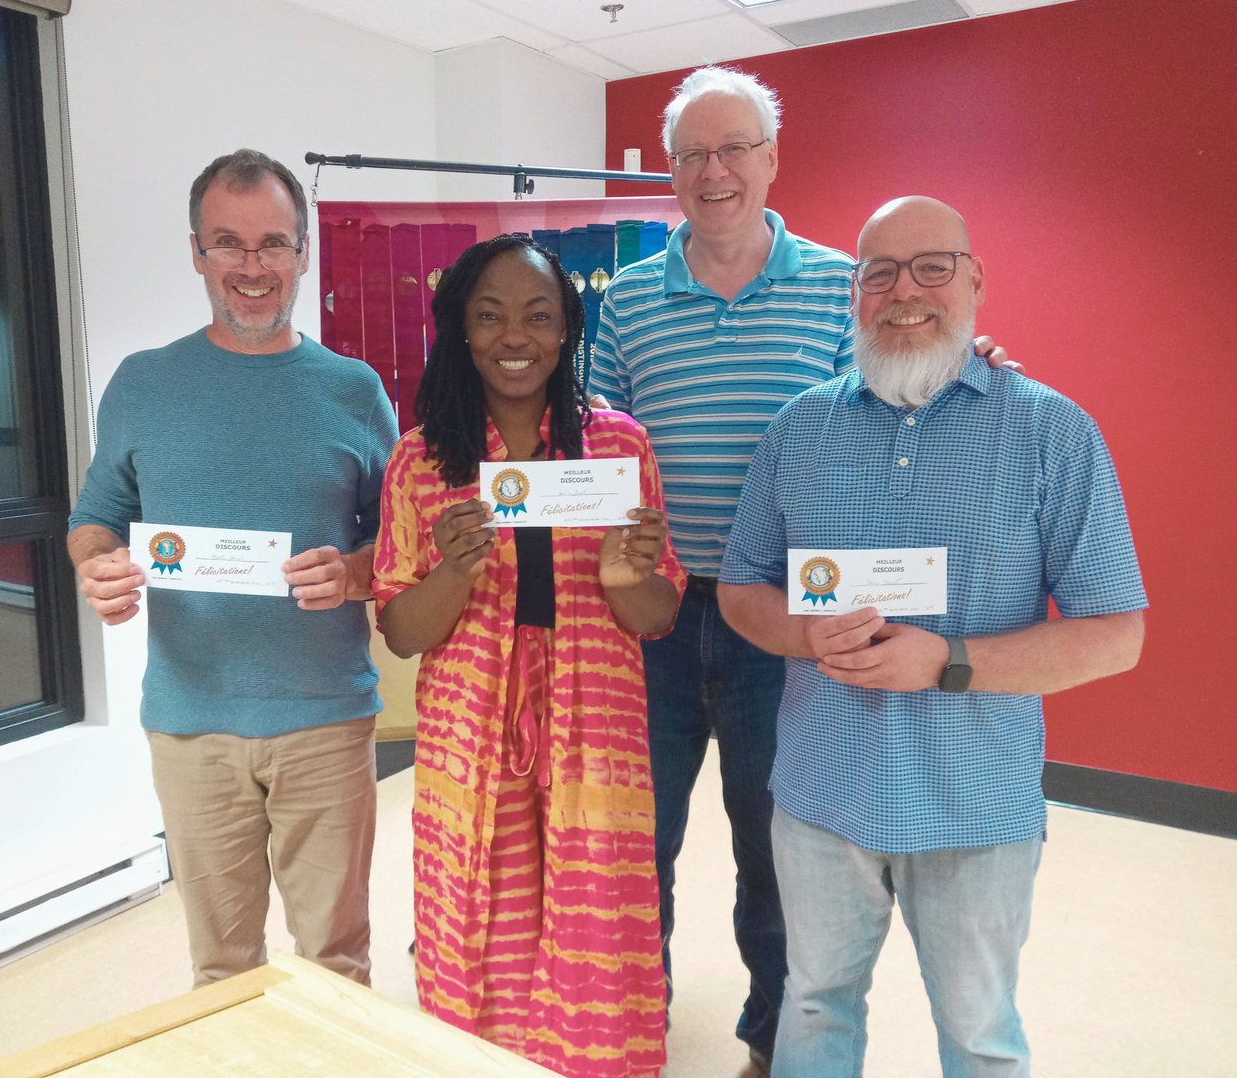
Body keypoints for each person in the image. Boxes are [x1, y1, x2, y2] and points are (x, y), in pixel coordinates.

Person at [587, 65, 1013, 1072]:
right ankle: (621, 1026)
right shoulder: (629, 300)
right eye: (692, 153)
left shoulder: (847, 286)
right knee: (629, 845)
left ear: (772, 161)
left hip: (783, 619)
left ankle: (773, 1044)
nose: (714, 170)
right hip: (651, 616)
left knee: (776, 855)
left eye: (734, 148)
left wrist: (970, 361)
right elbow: (597, 450)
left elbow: (892, 409)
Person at [716, 196, 1146, 1077]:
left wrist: (945, 662)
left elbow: (1116, 635)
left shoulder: (1052, 432)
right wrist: (804, 637)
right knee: (811, 1003)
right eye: (879, 273)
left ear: (976, 282)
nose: (904, 291)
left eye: (931, 267)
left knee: (981, 1036)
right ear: (854, 294)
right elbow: (736, 587)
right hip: (819, 795)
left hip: (976, 807)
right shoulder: (800, 430)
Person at [67, 149, 397, 988]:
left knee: (335, 960)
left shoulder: (354, 390)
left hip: (325, 717)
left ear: (303, 253)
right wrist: (100, 566)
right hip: (191, 720)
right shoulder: (143, 385)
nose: (253, 268)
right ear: (196, 253)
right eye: (229, 244)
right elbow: (96, 518)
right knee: (222, 968)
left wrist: (357, 573)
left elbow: (400, 537)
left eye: (273, 245)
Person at [373, 234, 684, 1078]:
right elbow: (402, 631)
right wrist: (452, 571)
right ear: (462, 332)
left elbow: (656, 614)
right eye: (491, 316)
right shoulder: (420, 460)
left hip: (596, 718)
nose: (516, 337)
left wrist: (626, 578)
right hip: (470, 726)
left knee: (595, 903)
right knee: (481, 900)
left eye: (539, 316)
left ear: (567, 332)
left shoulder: (620, 448)